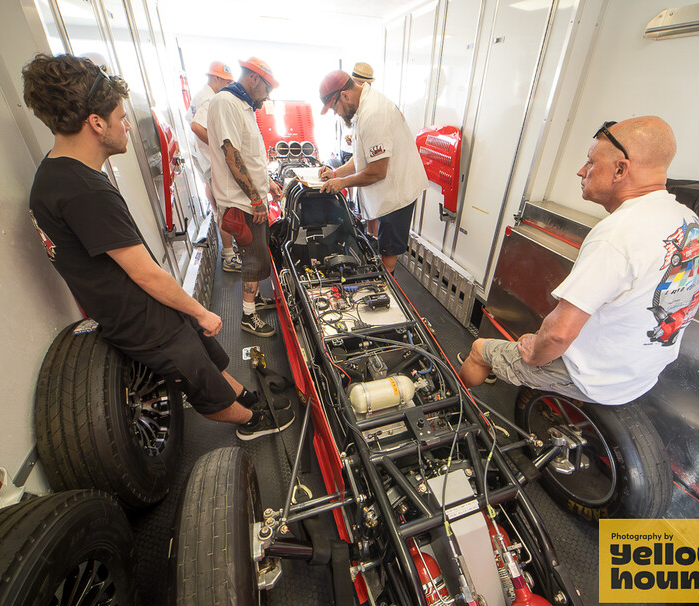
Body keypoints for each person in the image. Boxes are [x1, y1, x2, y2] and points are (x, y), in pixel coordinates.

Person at [21, 53, 292, 441]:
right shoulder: (85, 190)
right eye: (120, 118)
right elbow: (144, 272)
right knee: (201, 380)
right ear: (97, 124)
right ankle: (251, 423)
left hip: (149, 305)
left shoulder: (55, 174)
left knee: (204, 356)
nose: (127, 126)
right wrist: (200, 311)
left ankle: (245, 395)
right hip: (141, 318)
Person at [459, 116, 699, 405]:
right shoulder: (687, 220)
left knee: (480, 349)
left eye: (591, 162)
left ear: (620, 169)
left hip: (593, 377)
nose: (581, 171)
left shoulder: (618, 234)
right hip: (641, 374)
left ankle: (452, 410)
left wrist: (532, 352)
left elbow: (557, 336)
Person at [317, 69, 428, 274]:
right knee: (382, 242)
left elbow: (377, 171)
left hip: (397, 192)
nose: (336, 113)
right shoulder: (362, 108)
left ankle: (389, 289)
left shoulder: (374, 114)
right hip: (388, 188)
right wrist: (336, 174)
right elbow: (361, 158)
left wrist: (342, 183)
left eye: (335, 107)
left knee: (389, 252)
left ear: (344, 95)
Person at [205, 57, 282, 337]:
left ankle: (256, 301)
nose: (268, 94)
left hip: (250, 198)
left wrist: (267, 183)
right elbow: (232, 155)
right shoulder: (226, 102)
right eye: (267, 88)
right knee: (252, 260)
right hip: (242, 203)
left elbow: (249, 155)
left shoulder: (244, 105)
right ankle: (248, 318)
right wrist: (255, 199)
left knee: (260, 256)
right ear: (253, 78)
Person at [189, 61, 240, 272]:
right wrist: (220, 147)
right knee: (225, 209)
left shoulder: (202, 95)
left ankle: (228, 249)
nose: (228, 86)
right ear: (216, 78)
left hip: (204, 159)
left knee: (220, 206)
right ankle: (229, 256)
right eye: (226, 81)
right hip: (210, 161)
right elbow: (196, 126)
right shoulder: (209, 98)